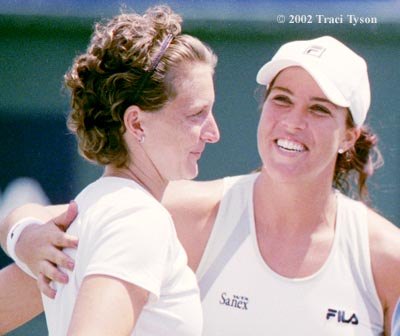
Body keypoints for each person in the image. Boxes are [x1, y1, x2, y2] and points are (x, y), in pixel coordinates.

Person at [1, 36, 400, 335]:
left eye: (318, 108)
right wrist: (23, 237)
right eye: (281, 99)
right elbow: (44, 225)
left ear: (349, 135)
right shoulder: (175, 216)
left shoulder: (386, 258)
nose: (293, 122)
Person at [0, 4, 221, 335]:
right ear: (136, 122)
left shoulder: (92, 210)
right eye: (196, 114)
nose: (213, 132)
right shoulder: (137, 218)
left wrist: (19, 234)